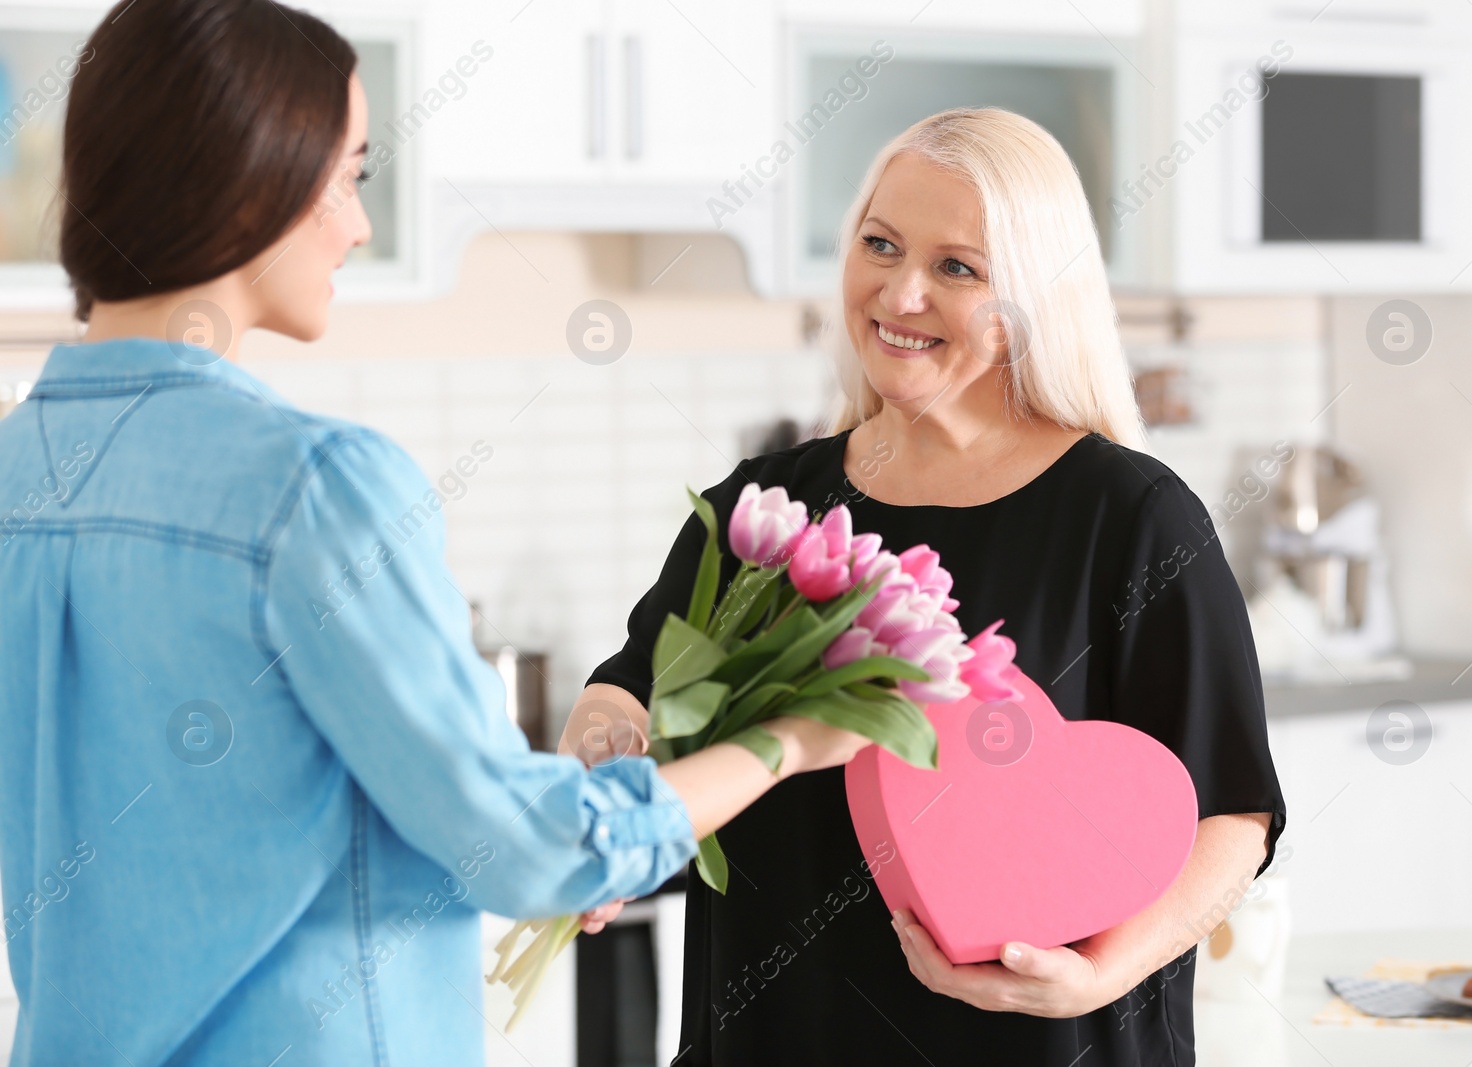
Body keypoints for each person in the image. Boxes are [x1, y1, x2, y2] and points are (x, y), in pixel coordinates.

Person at [0, 2, 872, 1064]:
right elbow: (525, 847)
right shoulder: (312, 485)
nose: (358, 225)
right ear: (250, 178)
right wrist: (786, 741)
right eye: (351, 176)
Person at [564, 108, 1288, 1066]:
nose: (899, 292)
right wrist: (600, 732)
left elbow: (1230, 814)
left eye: (958, 267)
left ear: (1029, 298)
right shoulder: (770, 508)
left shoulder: (1130, 518)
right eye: (880, 244)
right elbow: (634, 685)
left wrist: (1105, 972)